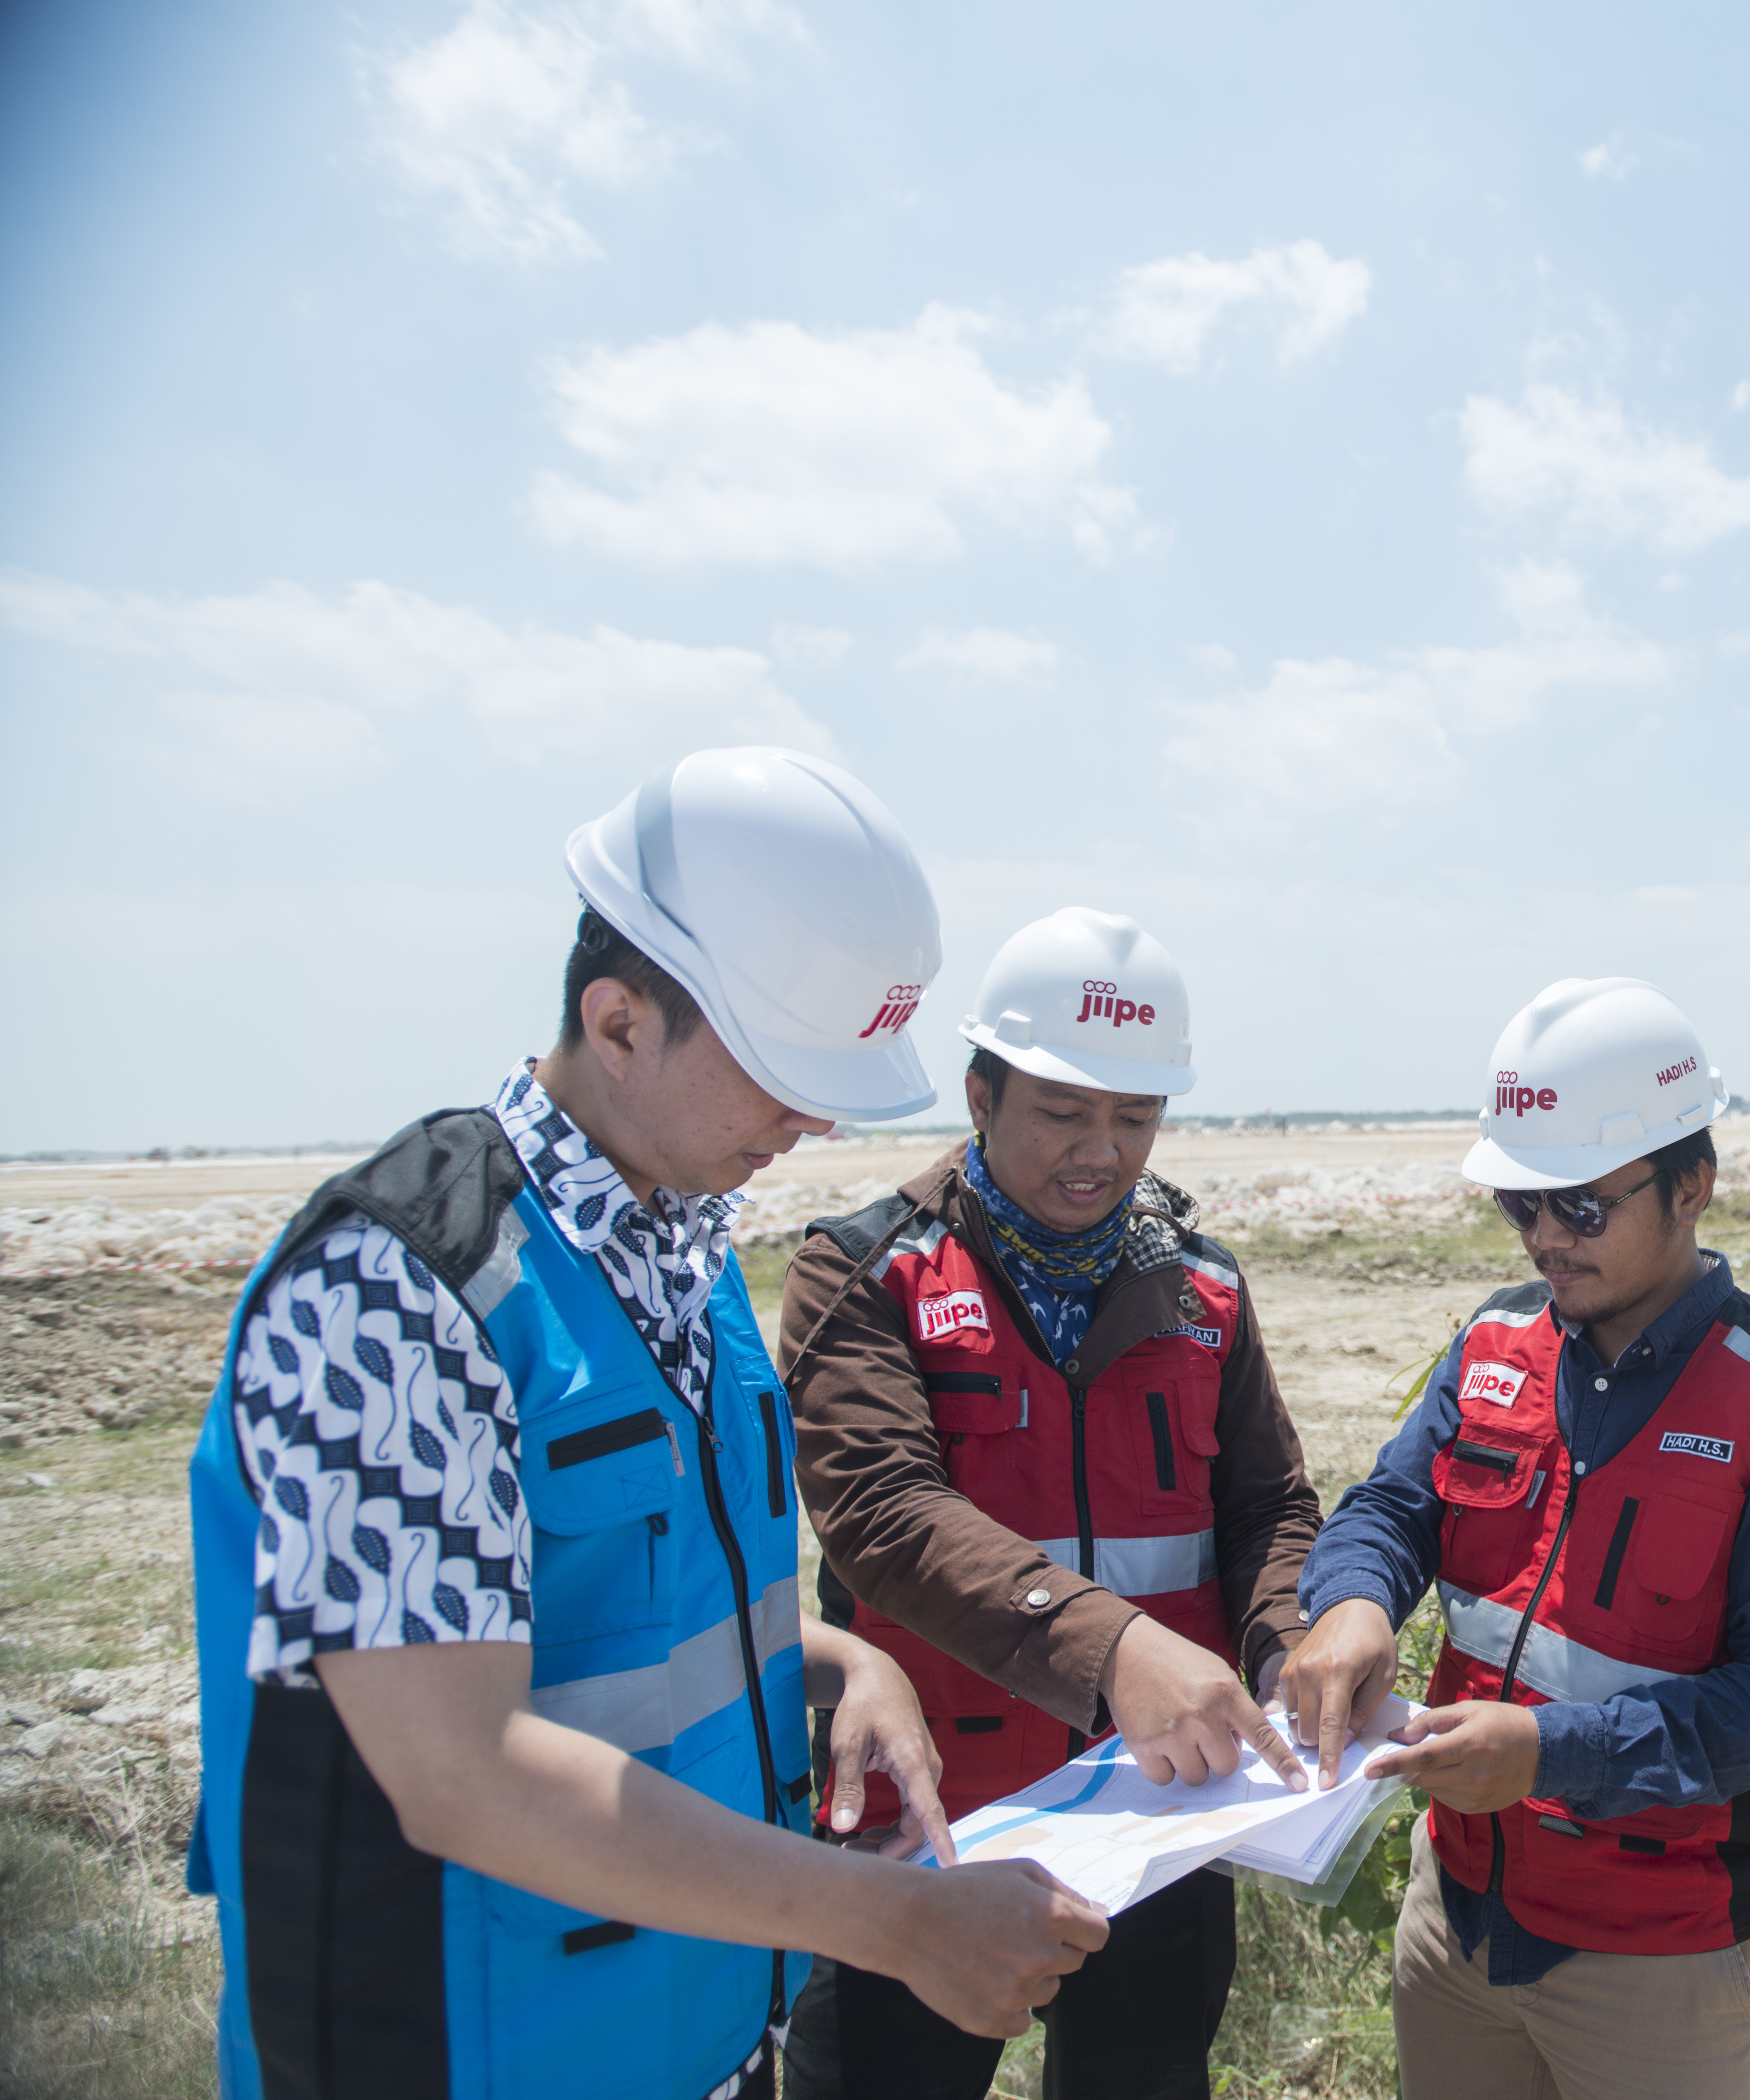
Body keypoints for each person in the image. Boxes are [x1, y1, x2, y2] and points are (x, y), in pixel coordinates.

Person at [186, 748, 1111, 2100]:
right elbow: (459, 1769)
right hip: (469, 2054)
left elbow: (618, 1621)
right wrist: (899, 1925)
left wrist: (835, 1660)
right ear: (619, 1023)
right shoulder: (398, 1286)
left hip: (703, 2038)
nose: (807, 1118)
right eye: (778, 1072)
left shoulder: (682, 1256)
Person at [1285, 977, 1750, 2100]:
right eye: (1522, 1206)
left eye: (1584, 1208)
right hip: (1457, 1920)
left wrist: (1552, 1757)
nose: (1548, 1239)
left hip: (1664, 1958)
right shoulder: (1495, 1341)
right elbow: (1390, 1510)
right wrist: (1354, 1602)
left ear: (1693, 1186)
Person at [776, 906, 1323, 2100]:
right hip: (926, 1827)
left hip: (1159, 1813)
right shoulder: (867, 1272)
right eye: (1064, 1113)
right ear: (980, 1097)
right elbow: (882, 1511)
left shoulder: (1203, 1287)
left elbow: (1270, 1505)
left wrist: (1289, 1646)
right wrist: (1113, 1648)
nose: (1101, 1152)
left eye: (1135, 1119)